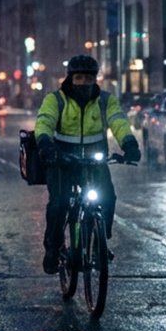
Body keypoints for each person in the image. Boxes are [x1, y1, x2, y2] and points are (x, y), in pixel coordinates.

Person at [34, 55, 139, 274]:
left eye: (89, 78)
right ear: (70, 78)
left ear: (95, 79)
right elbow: (44, 122)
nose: (83, 82)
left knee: (107, 198)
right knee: (59, 205)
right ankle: (53, 247)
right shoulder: (56, 99)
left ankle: (99, 244)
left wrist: (129, 143)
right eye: (79, 77)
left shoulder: (105, 100)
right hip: (62, 161)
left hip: (94, 162)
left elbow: (118, 122)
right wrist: (45, 144)